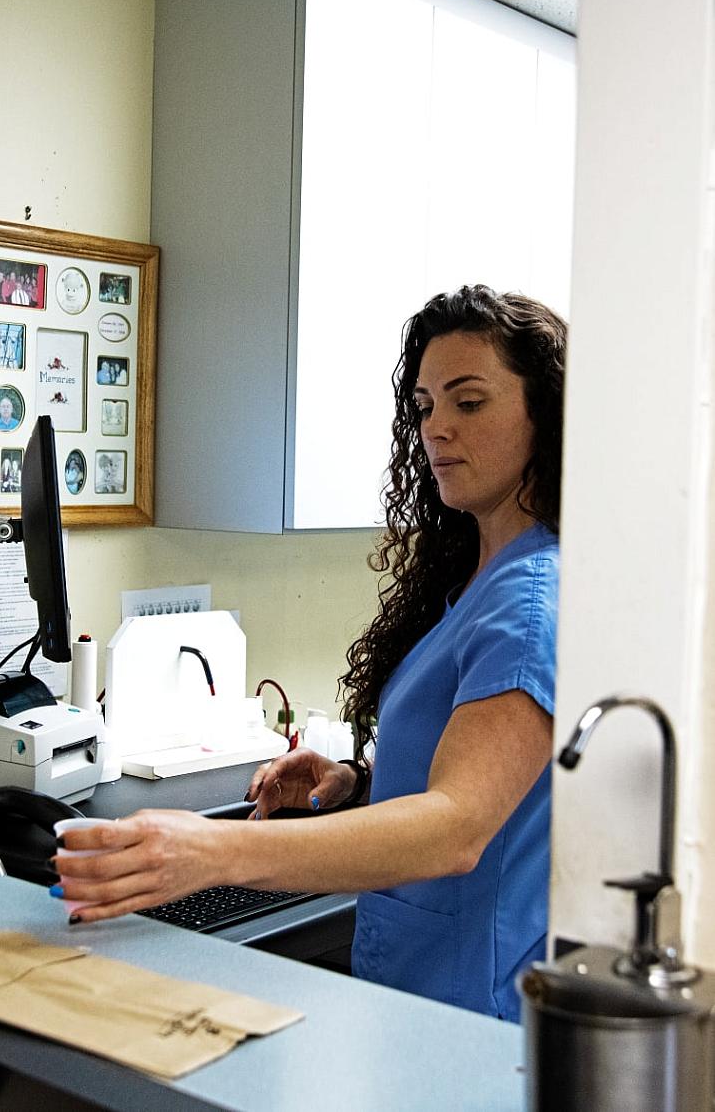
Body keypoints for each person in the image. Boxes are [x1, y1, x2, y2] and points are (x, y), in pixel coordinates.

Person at [54, 285, 565, 1023]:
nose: (437, 429)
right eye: (424, 407)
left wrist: (212, 852)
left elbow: (458, 826)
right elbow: (478, 771)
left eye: (470, 402)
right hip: (420, 994)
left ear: (542, 412)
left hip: (472, 1010)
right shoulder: (482, 577)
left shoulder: (530, 601)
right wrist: (359, 781)